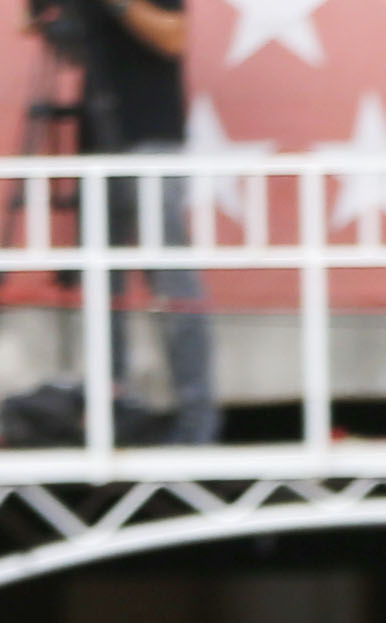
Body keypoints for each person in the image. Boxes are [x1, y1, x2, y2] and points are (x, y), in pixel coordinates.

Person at [78, 0, 218, 444]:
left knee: (172, 279)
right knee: (102, 284)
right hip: (97, 142)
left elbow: (173, 36)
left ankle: (197, 423)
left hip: (150, 137)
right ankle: (108, 410)